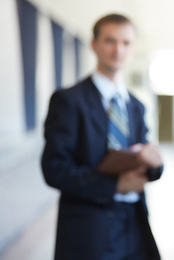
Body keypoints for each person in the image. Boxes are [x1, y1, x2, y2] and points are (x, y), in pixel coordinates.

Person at [41, 14, 163, 260]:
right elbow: (54, 168)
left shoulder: (136, 106)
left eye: (126, 42)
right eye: (110, 41)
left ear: (133, 48)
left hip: (133, 225)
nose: (118, 49)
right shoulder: (69, 101)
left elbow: (148, 163)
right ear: (94, 44)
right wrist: (115, 185)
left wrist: (156, 164)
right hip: (88, 230)